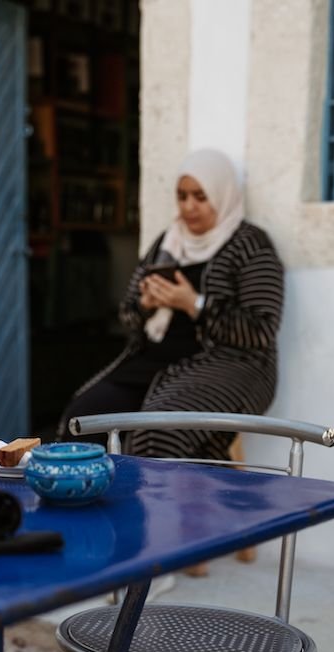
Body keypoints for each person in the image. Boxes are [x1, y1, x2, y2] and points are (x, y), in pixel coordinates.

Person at [57, 148, 284, 461]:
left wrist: (195, 304)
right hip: (153, 363)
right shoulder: (169, 242)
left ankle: (156, 510)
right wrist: (147, 304)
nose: (189, 207)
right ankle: (92, 503)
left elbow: (261, 330)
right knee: (83, 421)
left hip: (229, 365)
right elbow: (128, 313)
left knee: (157, 434)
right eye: (182, 196)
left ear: (222, 195)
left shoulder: (251, 245)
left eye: (200, 197)